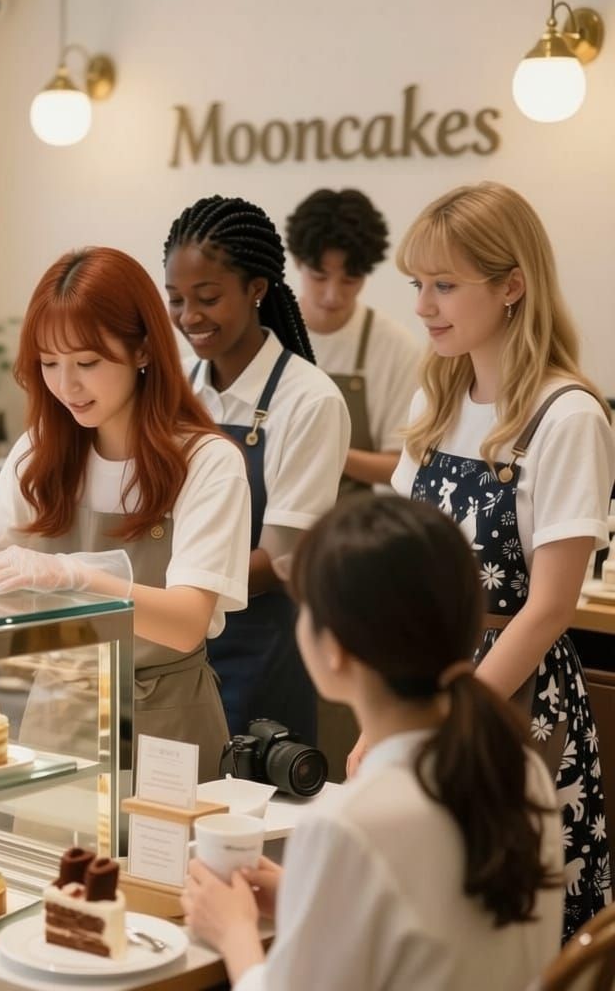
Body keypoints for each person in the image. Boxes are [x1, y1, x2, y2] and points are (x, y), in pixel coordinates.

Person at [182, 495, 564, 991]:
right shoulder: (517, 768)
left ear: (335, 648)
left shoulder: (348, 825)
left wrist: (233, 934)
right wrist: (306, 894)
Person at [0, 246, 251, 780]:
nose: (66, 386)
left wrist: (75, 576)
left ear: (142, 350)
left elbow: (187, 623)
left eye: (87, 363)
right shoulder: (40, 449)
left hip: (165, 724)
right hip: (58, 716)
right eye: (49, 364)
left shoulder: (208, 462)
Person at [389, 181, 614, 938]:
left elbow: (551, 605)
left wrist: (451, 718)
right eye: (418, 284)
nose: (424, 305)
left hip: (511, 703)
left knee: (509, 930)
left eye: (445, 285)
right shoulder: (439, 406)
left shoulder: (567, 414)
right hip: (419, 691)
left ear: (512, 284)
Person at [163, 195, 349, 744]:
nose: (189, 317)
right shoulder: (175, 394)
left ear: (257, 289)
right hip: (173, 649)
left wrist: (171, 592)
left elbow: (281, 558)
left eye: (208, 297)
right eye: (175, 299)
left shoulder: (310, 400)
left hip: (261, 652)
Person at [285, 187, 421, 495]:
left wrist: (323, 450)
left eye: (349, 280)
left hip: (352, 530)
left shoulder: (393, 346)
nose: (333, 294)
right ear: (297, 262)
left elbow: (402, 466)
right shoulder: (265, 335)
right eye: (320, 277)